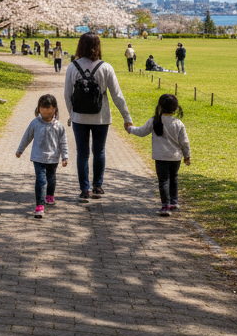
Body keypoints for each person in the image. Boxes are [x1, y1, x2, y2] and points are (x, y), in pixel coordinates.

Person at [64, 32, 134, 203]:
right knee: (99, 151)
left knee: (82, 153)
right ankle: (97, 186)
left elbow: (67, 94)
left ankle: (84, 189)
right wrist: (126, 117)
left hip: (79, 118)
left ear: (80, 46)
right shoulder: (105, 67)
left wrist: (72, 113)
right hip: (101, 117)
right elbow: (117, 95)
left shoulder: (72, 67)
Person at [125, 92, 191, 216]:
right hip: (175, 158)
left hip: (161, 157)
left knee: (163, 181)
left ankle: (165, 205)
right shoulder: (178, 123)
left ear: (160, 107)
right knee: (174, 178)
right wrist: (187, 156)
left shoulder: (154, 121)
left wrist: (130, 129)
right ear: (176, 108)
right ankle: (174, 202)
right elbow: (185, 142)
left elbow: (142, 131)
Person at [16, 93, 69, 218]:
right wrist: (20, 150)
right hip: (38, 158)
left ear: (54, 109)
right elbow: (27, 137)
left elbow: (63, 142)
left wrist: (65, 157)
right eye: (43, 108)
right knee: (41, 180)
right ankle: (39, 205)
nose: (46, 111)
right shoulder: (35, 123)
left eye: (49, 108)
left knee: (51, 179)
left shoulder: (58, 126)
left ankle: (50, 195)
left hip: (53, 159)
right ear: (39, 108)